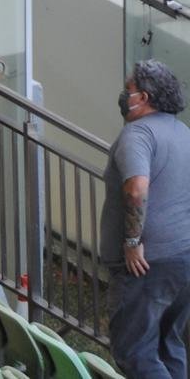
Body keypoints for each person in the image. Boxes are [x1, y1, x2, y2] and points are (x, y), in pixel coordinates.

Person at [102, 59, 190, 377]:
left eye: (129, 90)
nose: (125, 96)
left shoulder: (137, 134)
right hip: (183, 259)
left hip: (146, 265)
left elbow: (136, 190)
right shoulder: (183, 133)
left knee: (135, 352)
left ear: (145, 98)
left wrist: (132, 242)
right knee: (169, 344)